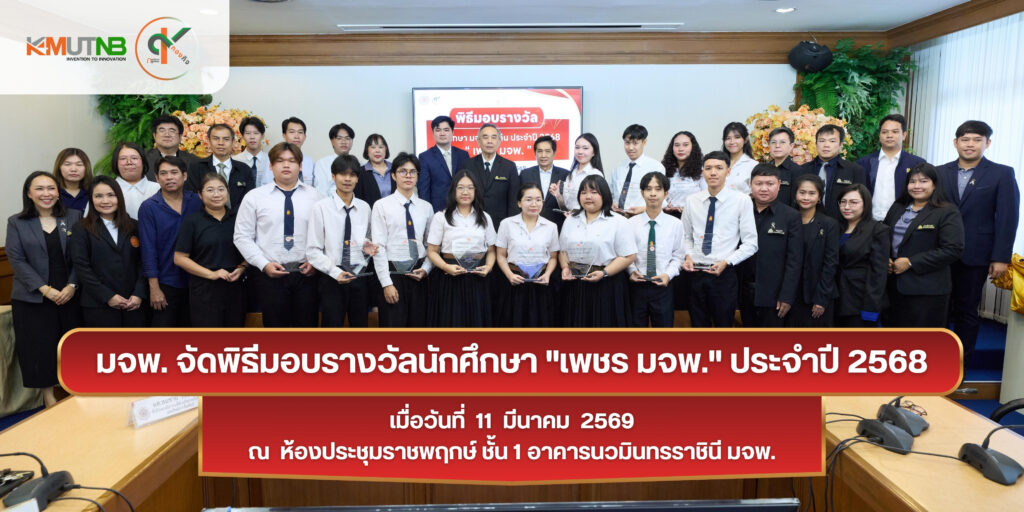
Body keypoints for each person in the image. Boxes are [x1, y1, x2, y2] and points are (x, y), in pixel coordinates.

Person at [937, 120, 1020, 361]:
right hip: (940, 253)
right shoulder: (939, 172)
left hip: (976, 254)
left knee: (967, 309)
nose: (970, 144)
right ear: (955, 143)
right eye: (965, 139)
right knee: (939, 308)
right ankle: (936, 359)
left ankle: (960, 362)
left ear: (987, 143)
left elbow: (1008, 218)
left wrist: (1000, 257)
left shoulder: (1002, 173)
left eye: (976, 140)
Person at [7, 171, 81, 407]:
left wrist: (72, 284)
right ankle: (49, 398)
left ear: (58, 192)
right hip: (33, 298)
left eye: (51, 188)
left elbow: (82, 256)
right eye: (39, 189)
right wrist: (44, 289)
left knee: (73, 346)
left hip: (70, 294)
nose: (46, 194)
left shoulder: (74, 216)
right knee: (39, 348)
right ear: (29, 194)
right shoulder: (17, 222)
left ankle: (76, 391)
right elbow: (17, 259)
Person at [234, 142, 322, 327]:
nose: (286, 165)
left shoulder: (315, 197)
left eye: (292, 161)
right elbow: (242, 236)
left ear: (300, 166)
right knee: (275, 331)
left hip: (307, 274)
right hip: (269, 275)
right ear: (271, 166)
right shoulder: (254, 197)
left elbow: (325, 233)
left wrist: (315, 261)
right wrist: (263, 264)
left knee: (307, 330)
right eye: (280, 161)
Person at [681, 151, 758, 328]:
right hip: (695, 273)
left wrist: (727, 262)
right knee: (698, 327)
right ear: (703, 172)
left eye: (719, 168)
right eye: (708, 168)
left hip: (724, 274)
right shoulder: (692, 200)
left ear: (728, 171)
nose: (713, 172)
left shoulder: (741, 201)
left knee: (723, 327)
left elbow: (751, 243)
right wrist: (688, 255)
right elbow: (685, 236)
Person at [882, 163, 965, 327]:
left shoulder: (947, 211)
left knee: (923, 339)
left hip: (927, 290)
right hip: (892, 286)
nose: (917, 186)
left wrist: (911, 262)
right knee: (893, 337)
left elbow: (953, 249)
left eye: (923, 181)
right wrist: (885, 258)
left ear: (934, 185)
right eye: (912, 181)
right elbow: (882, 237)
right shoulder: (898, 207)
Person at [558, 175, 636, 327]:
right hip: (576, 285)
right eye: (584, 192)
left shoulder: (618, 221)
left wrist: (604, 273)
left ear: (604, 195)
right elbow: (563, 251)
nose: (588, 197)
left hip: (606, 284)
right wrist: (565, 268)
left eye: (594, 192)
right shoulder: (570, 220)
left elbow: (628, 256)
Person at [70, 175, 146, 329]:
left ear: (119, 197)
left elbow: (144, 262)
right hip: (98, 305)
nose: (105, 201)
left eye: (111, 195)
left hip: (134, 303)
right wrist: (108, 296)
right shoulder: (81, 228)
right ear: (91, 200)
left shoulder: (134, 226)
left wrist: (139, 293)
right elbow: (82, 267)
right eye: (98, 196)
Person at [306, 154, 374, 328]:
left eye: (352, 175)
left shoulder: (364, 207)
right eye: (343, 174)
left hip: (359, 275)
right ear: (333, 176)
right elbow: (313, 250)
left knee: (360, 327)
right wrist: (335, 272)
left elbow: (366, 238)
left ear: (357, 178)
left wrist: (367, 246)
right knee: (332, 329)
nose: (347, 179)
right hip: (331, 277)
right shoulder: (321, 208)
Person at [173, 173, 248, 327]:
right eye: (210, 190)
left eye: (221, 189)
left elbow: (252, 250)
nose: (216, 194)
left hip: (235, 287)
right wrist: (211, 274)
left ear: (227, 192)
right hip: (204, 289)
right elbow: (179, 258)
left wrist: (242, 268)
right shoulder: (192, 221)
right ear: (200, 195)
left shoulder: (239, 219)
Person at [426, 171, 497, 327]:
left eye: (470, 188)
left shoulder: (485, 217)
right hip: (449, 277)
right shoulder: (441, 217)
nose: (465, 192)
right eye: (461, 187)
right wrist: (446, 267)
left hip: (478, 278)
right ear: (453, 190)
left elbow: (492, 250)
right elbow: (432, 251)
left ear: (476, 191)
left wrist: (489, 267)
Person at [369, 153, 433, 327]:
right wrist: (386, 284)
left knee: (419, 330)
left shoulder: (426, 208)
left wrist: (426, 269)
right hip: (393, 274)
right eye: (403, 171)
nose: (408, 176)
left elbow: (431, 245)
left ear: (418, 176)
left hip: (419, 274)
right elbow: (378, 247)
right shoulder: (381, 206)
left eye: (413, 172)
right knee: (393, 331)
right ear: (393, 175)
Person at [139, 156, 203, 327]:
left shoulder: (197, 201)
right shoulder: (149, 207)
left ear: (184, 176)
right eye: (164, 173)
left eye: (174, 172)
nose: (169, 177)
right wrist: (154, 288)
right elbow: (148, 249)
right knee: (165, 336)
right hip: (165, 282)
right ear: (156, 178)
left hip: (196, 281)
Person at [737, 165, 802, 327]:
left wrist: (787, 296)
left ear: (779, 185)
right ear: (750, 184)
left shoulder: (791, 216)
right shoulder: (739, 211)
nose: (764, 188)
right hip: (742, 293)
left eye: (770, 184)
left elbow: (794, 261)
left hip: (774, 296)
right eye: (758, 183)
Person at [495, 183, 560, 327]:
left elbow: (553, 257)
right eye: (528, 199)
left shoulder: (551, 226)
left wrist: (547, 274)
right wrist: (509, 275)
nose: (534, 204)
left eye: (538, 199)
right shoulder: (507, 224)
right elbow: (500, 255)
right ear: (519, 203)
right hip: (514, 282)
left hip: (541, 284)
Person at [627, 172, 684, 327]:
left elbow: (678, 257)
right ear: (642, 193)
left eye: (658, 189)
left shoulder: (675, 224)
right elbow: (626, 254)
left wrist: (668, 275)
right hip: (637, 285)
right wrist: (631, 271)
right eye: (648, 189)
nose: (653, 193)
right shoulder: (630, 224)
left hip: (663, 285)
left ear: (665, 193)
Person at [788, 175, 840, 327]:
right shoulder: (787, 220)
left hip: (818, 294)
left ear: (819, 197)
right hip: (791, 294)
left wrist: (821, 298)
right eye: (802, 192)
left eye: (812, 193)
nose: (806, 197)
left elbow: (831, 263)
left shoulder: (829, 224)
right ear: (795, 194)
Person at [834, 184, 889, 327]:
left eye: (853, 202)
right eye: (843, 202)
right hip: (833, 299)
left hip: (860, 300)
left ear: (866, 204)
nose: (846, 207)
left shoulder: (878, 230)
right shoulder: (834, 227)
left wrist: (870, 308)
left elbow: (878, 274)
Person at [856, 114, 928, 221]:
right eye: (884, 132)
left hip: (904, 222)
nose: (889, 135)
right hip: (870, 222)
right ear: (879, 135)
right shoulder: (864, 162)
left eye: (895, 132)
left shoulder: (917, 163)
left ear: (904, 135)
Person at [802, 124, 867, 219]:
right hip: (808, 222)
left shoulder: (855, 170)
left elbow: (861, 202)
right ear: (816, 144)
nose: (826, 145)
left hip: (841, 223)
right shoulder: (803, 170)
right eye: (822, 141)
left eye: (832, 141)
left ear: (841, 145)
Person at [459, 123, 521, 222]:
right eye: (485, 137)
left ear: (499, 141)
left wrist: (511, 224)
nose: (489, 141)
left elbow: (513, 200)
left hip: (500, 223)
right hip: (472, 221)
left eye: (493, 137)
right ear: (478, 141)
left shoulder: (509, 166)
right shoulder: (467, 165)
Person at [187, 123, 255, 210]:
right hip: (204, 217)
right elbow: (192, 198)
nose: (221, 143)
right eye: (216, 139)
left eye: (226, 139)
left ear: (233, 142)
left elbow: (250, 200)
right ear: (208, 141)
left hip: (239, 217)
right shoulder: (196, 168)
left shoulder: (244, 169)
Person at [609, 124, 664, 217]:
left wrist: (644, 209)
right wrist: (611, 203)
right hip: (618, 217)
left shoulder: (656, 167)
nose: (630, 148)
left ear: (644, 142)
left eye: (635, 143)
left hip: (644, 217)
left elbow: (662, 199)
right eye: (627, 143)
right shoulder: (618, 168)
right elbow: (611, 194)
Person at [418, 115, 470, 212]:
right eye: (438, 130)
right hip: (437, 211)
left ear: (452, 132)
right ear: (433, 133)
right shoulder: (425, 157)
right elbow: (424, 190)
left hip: (462, 209)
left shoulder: (463, 155)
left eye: (446, 130)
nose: (442, 133)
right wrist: (427, 213)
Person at [519, 135, 569, 229]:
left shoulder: (565, 175)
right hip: (530, 226)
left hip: (557, 226)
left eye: (547, 151)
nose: (543, 155)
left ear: (554, 153)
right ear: (535, 153)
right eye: (540, 151)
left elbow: (569, 204)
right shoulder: (525, 174)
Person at [550, 133, 603, 213]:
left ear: (594, 152)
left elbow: (596, 207)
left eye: (585, 148)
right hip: (570, 218)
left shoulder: (595, 174)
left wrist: (575, 214)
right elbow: (565, 208)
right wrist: (558, 195)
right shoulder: (572, 173)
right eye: (577, 147)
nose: (580, 151)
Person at [661, 131, 705, 217]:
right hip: (668, 216)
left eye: (685, 145)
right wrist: (664, 205)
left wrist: (688, 208)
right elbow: (658, 192)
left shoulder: (702, 170)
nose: (680, 149)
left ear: (693, 147)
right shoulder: (664, 169)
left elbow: (707, 196)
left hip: (694, 216)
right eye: (677, 145)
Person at [112, 141, 160, 219]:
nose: (129, 162)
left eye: (134, 158)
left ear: (143, 161)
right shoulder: (108, 190)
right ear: (116, 162)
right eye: (123, 158)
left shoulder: (158, 189)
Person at [144, 115, 198, 181]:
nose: (167, 135)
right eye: (162, 130)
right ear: (154, 135)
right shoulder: (143, 160)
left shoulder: (193, 162)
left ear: (180, 136)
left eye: (172, 130)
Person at [312, 123, 356, 197]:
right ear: (332, 141)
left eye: (347, 138)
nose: (343, 142)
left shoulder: (359, 164)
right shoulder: (322, 163)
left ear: (352, 141)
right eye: (339, 138)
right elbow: (321, 191)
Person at [766, 127, 803, 207]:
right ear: (769, 145)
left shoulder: (798, 171)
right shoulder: (764, 169)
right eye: (773, 142)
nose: (777, 146)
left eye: (782, 142)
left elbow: (797, 203)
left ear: (791, 146)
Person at [721, 122, 759, 195]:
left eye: (737, 137)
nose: (732, 142)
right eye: (728, 138)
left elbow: (755, 194)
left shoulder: (753, 165)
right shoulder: (718, 163)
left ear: (745, 139)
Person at [234, 116, 272, 187]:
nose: (252, 137)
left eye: (256, 133)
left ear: (262, 136)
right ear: (242, 136)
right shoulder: (235, 161)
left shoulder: (271, 160)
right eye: (248, 133)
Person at [53, 148, 93, 212]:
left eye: (79, 164)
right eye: (67, 164)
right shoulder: (52, 193)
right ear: (59, 167)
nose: (73, 169)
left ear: (86, 168)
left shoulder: (94, 192)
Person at [282, 116, 315, 187]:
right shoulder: (275, 160)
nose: (296, 136)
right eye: (292, 132)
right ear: (284, 135)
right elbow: (267, 186)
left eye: (300, 132)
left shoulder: (310, 162)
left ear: (305, 137)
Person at [360, 133, 393, 204]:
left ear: (386, 149)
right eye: (373, 147)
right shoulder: (360, 173)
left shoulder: (396, 169)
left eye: (381, 147)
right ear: (367, 150)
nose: (377, 151)